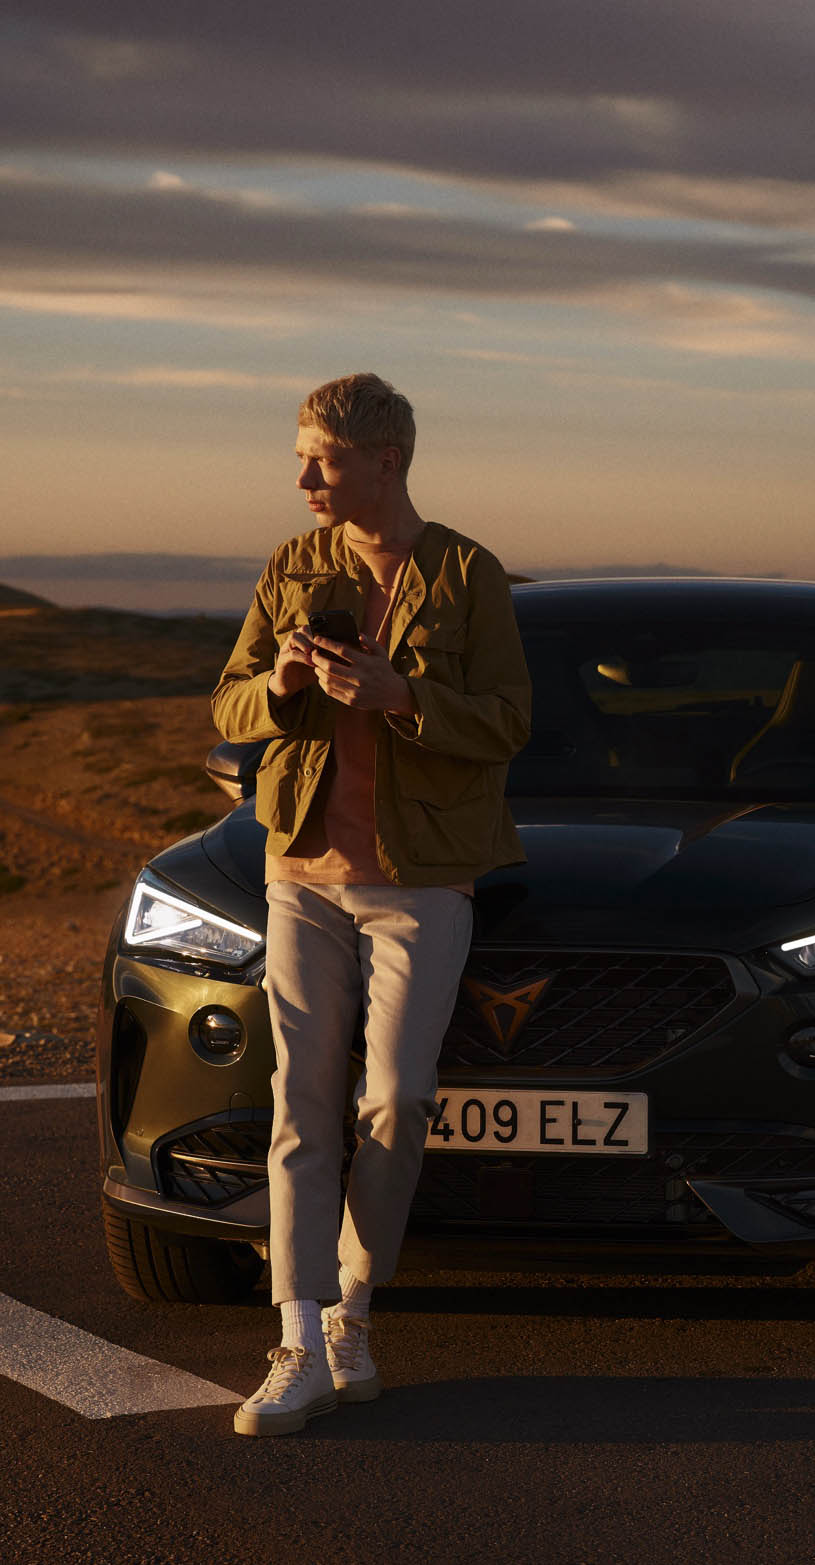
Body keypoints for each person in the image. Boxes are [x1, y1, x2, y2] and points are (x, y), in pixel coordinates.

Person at [211, 373, 531, 1437]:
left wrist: (404, 700)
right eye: (302, 455)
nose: (304, 475)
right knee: (299, 1103)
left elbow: (507, 723)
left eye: (325, 459)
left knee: (394, 1096)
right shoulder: (290, 566)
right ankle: (297, 1338)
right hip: (300, 868)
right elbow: (229, 699)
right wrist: (286, 688)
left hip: (422, 877)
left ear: (385, 461)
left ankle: (354, 1306)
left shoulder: (465, 571)